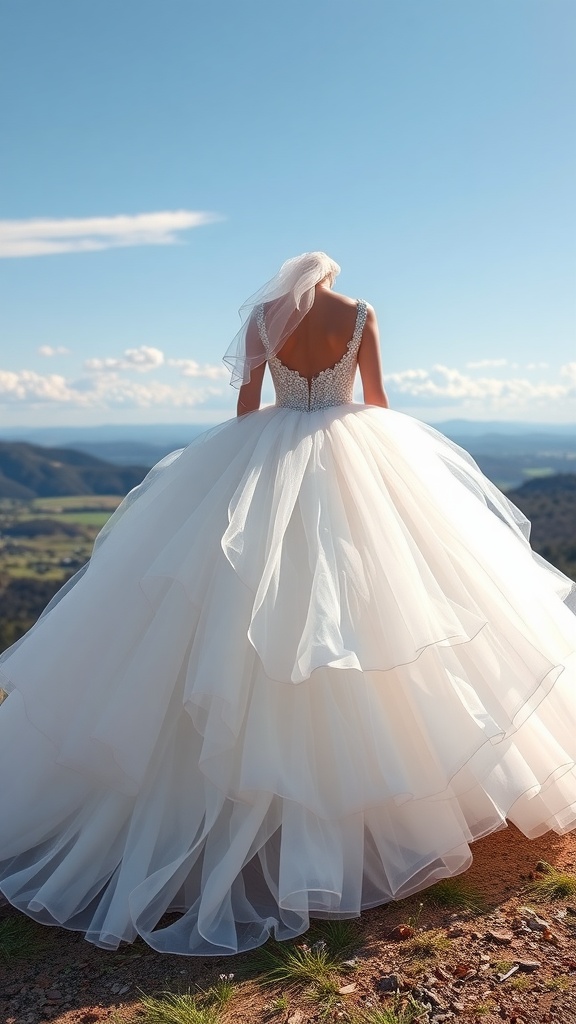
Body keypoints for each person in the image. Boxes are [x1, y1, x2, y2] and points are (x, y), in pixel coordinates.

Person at [0, 251, 575, 958]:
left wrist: (266, 432)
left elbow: (245, 407)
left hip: (263, 458)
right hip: (350, 455)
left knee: (239, 613)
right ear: (327, 277)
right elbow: (377, 399)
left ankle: (241, 817)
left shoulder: (263, 320)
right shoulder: (359, 314)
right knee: (364, 613)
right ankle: (369, 811)